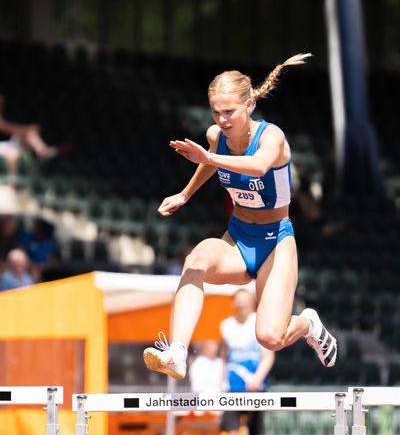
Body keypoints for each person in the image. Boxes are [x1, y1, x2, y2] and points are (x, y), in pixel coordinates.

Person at [143, 53, 338, 381]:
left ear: (249, 105)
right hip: (238, 238)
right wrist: (185, 193)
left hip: (276, 241)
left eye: (229, 112)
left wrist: (210, 156)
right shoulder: (215, 138)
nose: (222, 120)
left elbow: (259, 166)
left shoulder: (271, 137)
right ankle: (177, 352)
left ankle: (308, 324)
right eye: (216, 112)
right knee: (196, 259)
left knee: (270, 337)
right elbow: (210, 163)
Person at [219, 288, 274, 435]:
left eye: (245, 301)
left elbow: (268, 356)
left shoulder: (259, 323)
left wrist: (257, 378)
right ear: (233, 303)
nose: (241, 305)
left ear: (252, 303)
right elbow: (224, 355)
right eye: (238, 302)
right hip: (232, 389)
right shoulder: (226, 326)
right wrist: (221, 379)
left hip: (255, 389)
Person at [0, 96, 58, 178]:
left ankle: (42, 151)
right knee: (13, 154)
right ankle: (12, 184)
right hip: (4, 147)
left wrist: (28, 130)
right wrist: (28, 128)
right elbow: (10, 129)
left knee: (30, 134)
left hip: (5, 144)